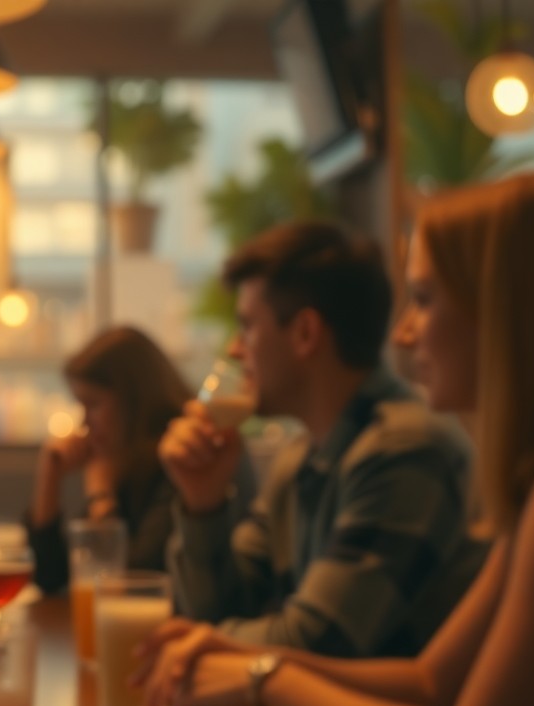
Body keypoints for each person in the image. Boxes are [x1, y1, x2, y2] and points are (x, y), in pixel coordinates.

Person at [139, 172, 534, 706]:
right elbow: (430, 683)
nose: (404, 332)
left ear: (503, 307)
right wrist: (204, 513)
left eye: (424, 299)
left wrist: (265, 678)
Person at [158, 220, 485, 657]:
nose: (236, 350)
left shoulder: (406, 449)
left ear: (305, 334)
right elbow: (218, 612)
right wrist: (203, 504)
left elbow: (317, 643)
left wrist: (195, 643)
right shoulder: (301, 459)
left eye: (248, 328)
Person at [26, 327, 250, 594]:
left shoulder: (189, 455)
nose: (84, 422)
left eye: (93, 405)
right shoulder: (122, 459)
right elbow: (50, 576)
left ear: (134, 401)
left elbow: (131, 584)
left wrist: (101, 495)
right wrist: (49, 477)